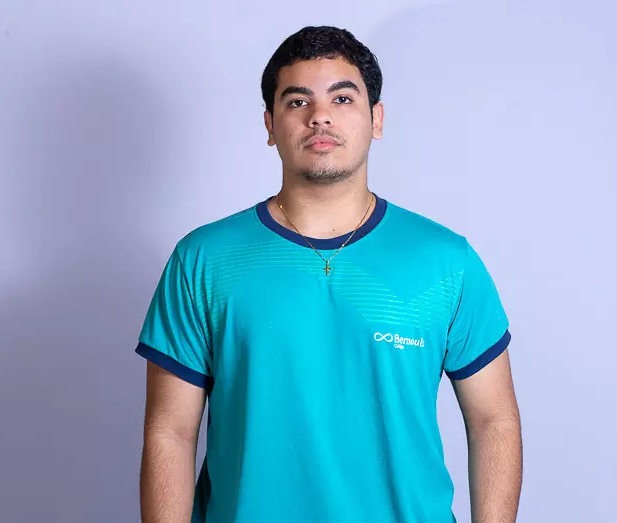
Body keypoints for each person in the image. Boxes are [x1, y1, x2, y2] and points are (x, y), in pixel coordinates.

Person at [135, 25, 522, 523]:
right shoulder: (204, 259)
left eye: (342, 98)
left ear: (376, 118)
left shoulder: (445, 260)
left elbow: (493, 420)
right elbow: (170, 432)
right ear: (270, 124)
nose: (320, 115)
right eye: (298, 101)